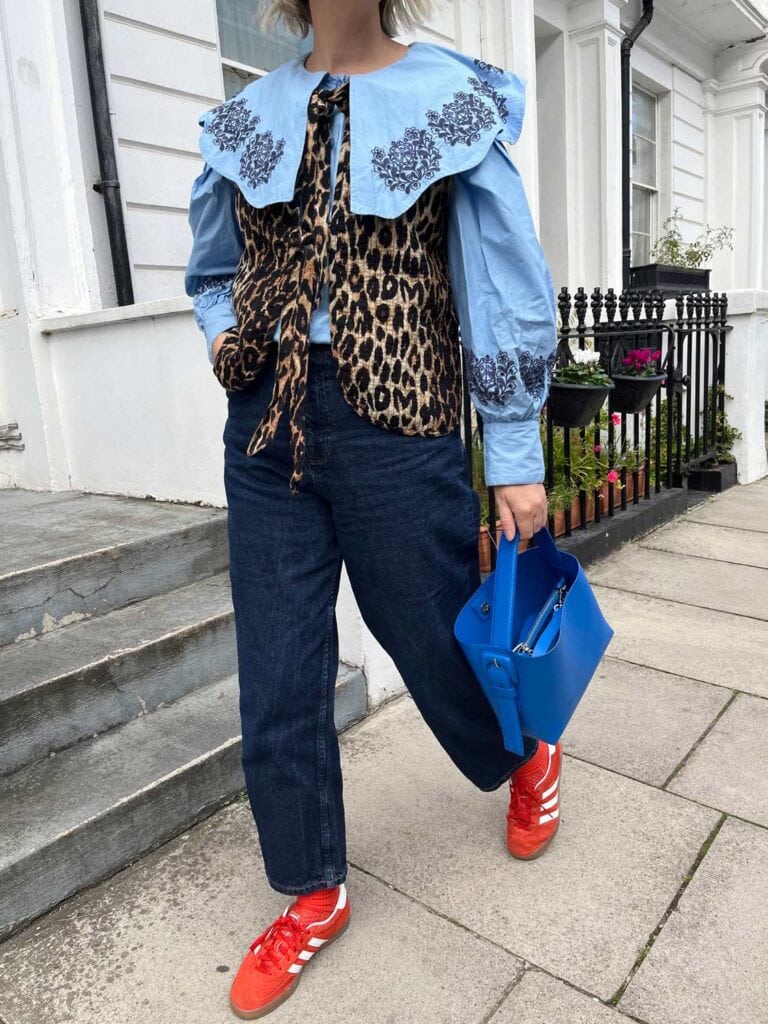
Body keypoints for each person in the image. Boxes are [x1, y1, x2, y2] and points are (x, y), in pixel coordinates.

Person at [185, 0, 559, 1017]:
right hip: (266, 426)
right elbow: (212, 271)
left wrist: (515, 444)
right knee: (277, 668)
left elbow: (500, 275)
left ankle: (525, 751)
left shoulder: (450, 98)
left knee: (433, 634)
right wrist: (230, 345)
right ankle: (313, 887)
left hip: (398, 415)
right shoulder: (249, 112)